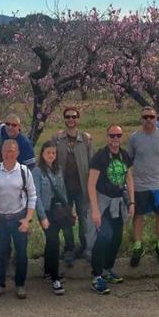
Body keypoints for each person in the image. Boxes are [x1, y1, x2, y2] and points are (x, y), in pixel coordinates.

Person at [0, 139, 38, 300]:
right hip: (0, 218)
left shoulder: (24, 171)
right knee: (0, 254)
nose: (9, 153)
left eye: (12, 150)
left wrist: (27, 219)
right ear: (2, 152)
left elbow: (33, 196)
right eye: (6, 150)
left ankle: (20, 285)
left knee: (21, 253)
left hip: (18, 218)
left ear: (18, 153)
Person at [88, 125, 134, 295]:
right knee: (104, 236)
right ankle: (96, 276)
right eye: (112, 136)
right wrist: (94, 210)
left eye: (118, 135)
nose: (115, 139)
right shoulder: (99, 157)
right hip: (103, 202)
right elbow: (91, 185)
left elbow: (129, 179)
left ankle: (107, 269)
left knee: (116, 237)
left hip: (118, 202)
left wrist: (132, 202)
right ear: (107, 137)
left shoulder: (124, 155)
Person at [128, 107, 159, 268]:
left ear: (156, 118)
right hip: (140, 184)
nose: (148, 120)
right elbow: (130, 159)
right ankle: (138, 246)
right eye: (145, 117)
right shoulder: (134, 138)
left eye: (151, 117)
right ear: (141, 119)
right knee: (138, 215)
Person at [48, 106, 94, 266]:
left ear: (78, 118)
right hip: (63, 188)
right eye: (67, 117)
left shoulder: (86, 139)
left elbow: (92, 162)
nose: (71, 119)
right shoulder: (57, 138)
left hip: (82, 186)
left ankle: (84, 248)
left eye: (74, 116)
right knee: (65, 219)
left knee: (83, 218)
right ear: (64, 119)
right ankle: (69, 249)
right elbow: (51, 160)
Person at [34, 141, 68, 296]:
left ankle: (48, 271)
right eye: (48, 152)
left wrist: (69, 209)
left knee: (52, 242)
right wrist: (42, 217)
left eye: (54, 153)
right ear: (42, 153)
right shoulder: (37, 171)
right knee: (55, 241)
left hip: (58, 212)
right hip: (46, 212)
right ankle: (55, 278)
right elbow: (36, 196)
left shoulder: (58, 170)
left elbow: (63, 191)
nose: (51, 155)